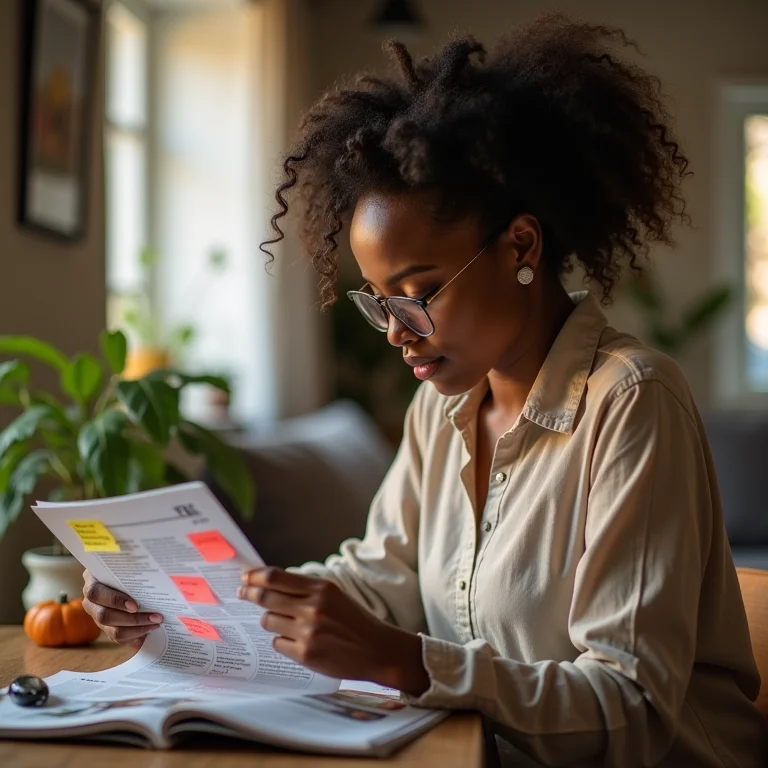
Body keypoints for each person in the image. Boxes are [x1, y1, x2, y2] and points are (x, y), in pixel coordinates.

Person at [82, 13, 768, 767]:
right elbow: (379, 581)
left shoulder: (630, 401)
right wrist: (182, 603)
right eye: (378, 299)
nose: (395, 332)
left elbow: (629, 714)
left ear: (521, 246)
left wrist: (410, 663)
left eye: (419, 292)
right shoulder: (441, 408)